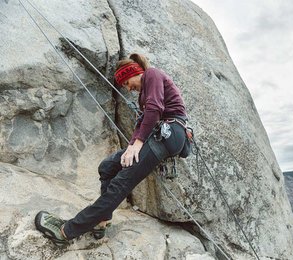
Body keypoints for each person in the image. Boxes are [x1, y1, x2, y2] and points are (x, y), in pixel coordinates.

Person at [35, 53, 189, 246]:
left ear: (134, 73)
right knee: (107, 166)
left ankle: (66, 231)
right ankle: (101, 220)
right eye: (124, 85)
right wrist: (131, 147)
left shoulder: (152, 74)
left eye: (126, 82)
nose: (127, 88)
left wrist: (139, 143)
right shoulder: (144, 93)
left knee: (120, 184)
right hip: (159, 135)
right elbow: (142, 121)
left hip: (170, 134)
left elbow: (155, 109)